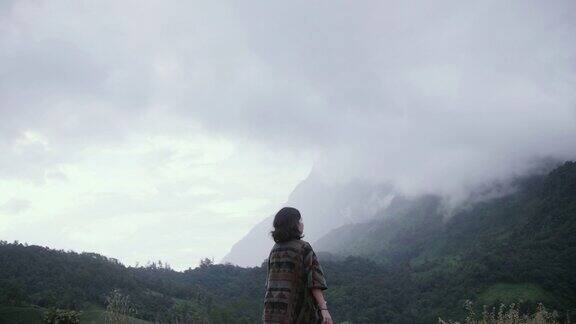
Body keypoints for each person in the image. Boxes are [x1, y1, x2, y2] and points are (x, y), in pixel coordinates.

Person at [262, 207, 333, 324]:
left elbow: (268, 283)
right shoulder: (303, 248)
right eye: (299, 221)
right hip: (296, 314)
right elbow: (315, 282)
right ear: (293, 224)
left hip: (271, 313)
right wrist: (324, 309)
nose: (302, 224)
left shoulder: (274, 250)